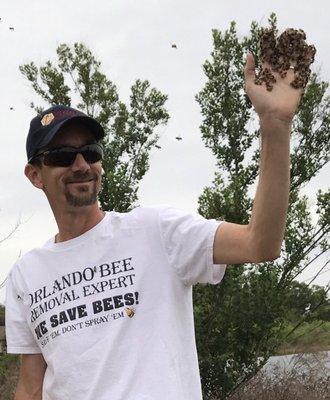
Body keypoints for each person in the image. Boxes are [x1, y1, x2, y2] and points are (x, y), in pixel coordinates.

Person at [5, 53, 302, 400]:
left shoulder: (156, 231)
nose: (82, 164)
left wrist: (275, 125)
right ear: (35, 175)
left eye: (91, 151)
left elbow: (260, 244)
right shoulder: (26, 275)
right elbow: (31, 386)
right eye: (61, 156)